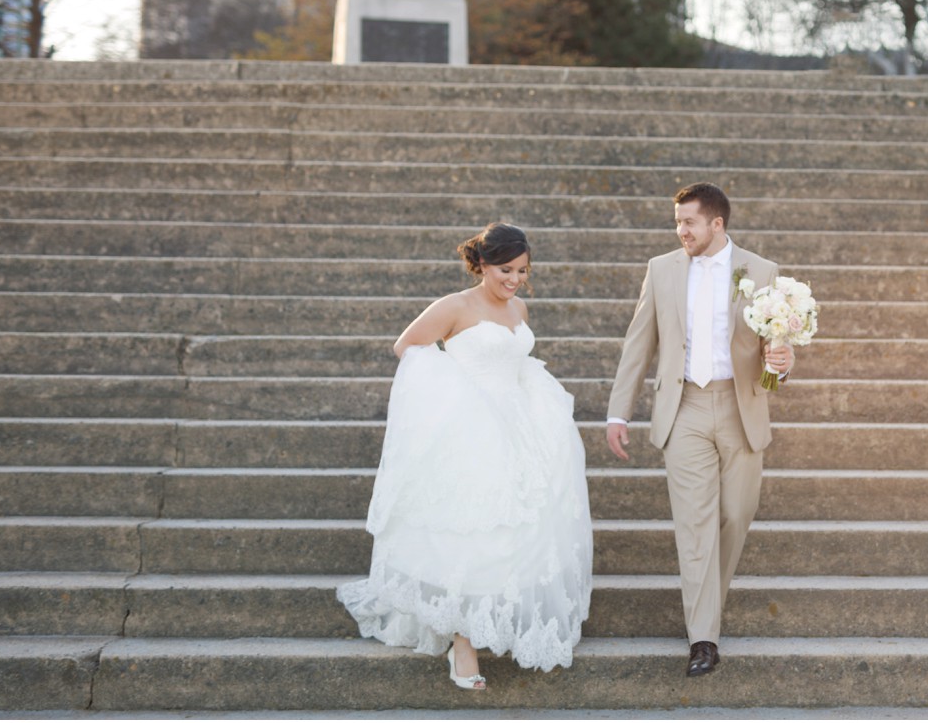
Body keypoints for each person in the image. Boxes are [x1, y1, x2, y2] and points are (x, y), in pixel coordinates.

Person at [338, 223, 592, 689]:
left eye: (521, 270)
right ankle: (463, 642)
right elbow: (407, 347)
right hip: (472, 428)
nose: (513, 280)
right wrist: (455, 397)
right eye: (504, 270)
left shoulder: (520, 307)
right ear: (481, 265)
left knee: (520, 530)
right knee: (474, 532)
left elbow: (515, 362)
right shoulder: (455, 306)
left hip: (522, 427)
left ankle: (494, 621)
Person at [604, 183, 795, 677]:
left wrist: (783, 360)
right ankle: (703, 637)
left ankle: (708, 602)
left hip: (739, 407)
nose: (680, 231)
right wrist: (618, 412)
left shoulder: (762, 272)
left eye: (688, 222)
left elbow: (773, 365)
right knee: (694, 525)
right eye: (677, 222)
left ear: (717, 224)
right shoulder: (661, 270)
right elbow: (638, 343)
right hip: (684, 406)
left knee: (736, 513)